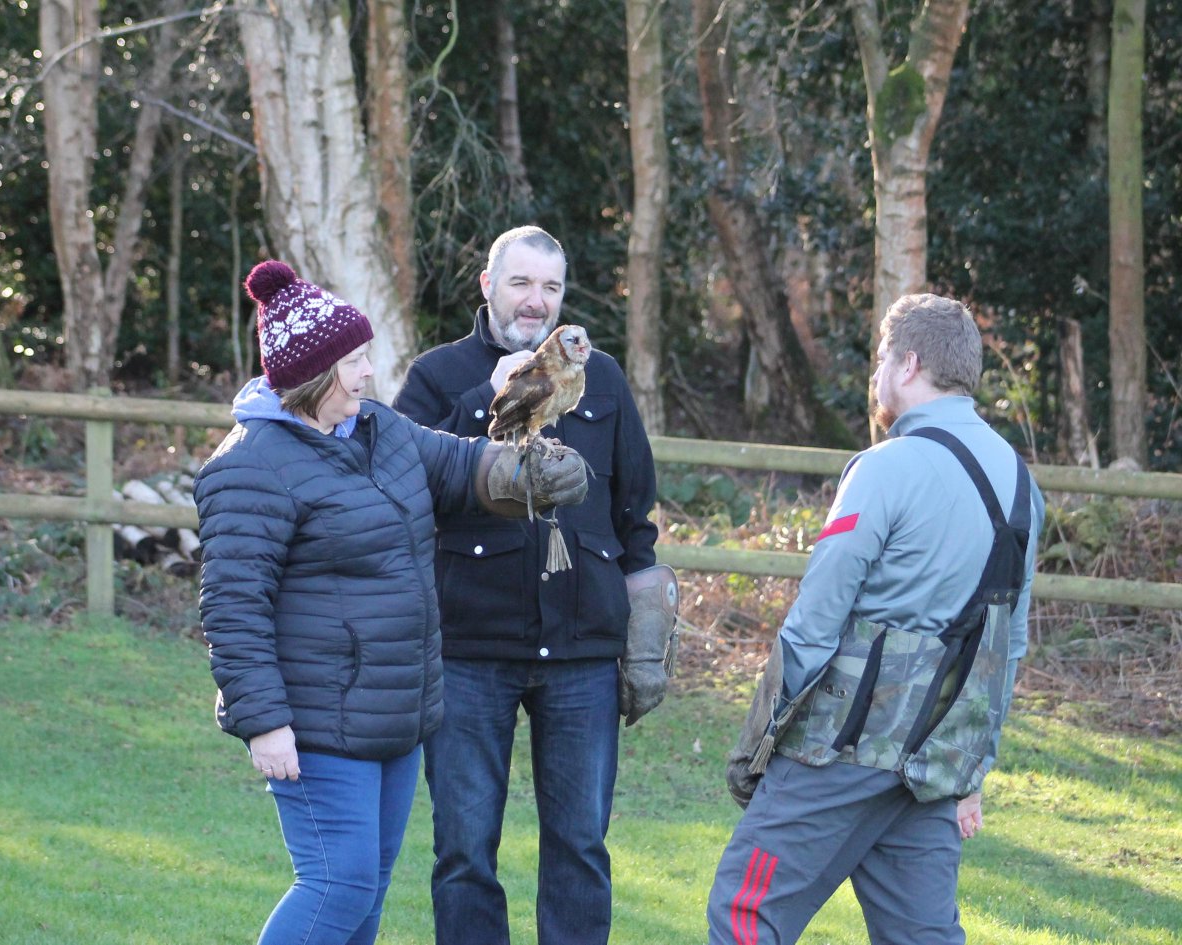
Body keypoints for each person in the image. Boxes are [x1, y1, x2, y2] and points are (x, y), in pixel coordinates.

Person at [194, 259, 588, 945]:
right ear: (314, 375)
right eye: (353, 361)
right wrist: (264, 722)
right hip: (317, 721)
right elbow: (233, 607)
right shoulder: (250, 465)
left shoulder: (378, 430)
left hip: (396, 714)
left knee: (366, 892)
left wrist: (523, 471)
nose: (368, 372)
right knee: (336, 886)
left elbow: (460, 464)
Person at [709, 293, 1045, 945]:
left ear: (909, 362)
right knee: (920, 934)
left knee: (748, 912)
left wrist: (760, 740)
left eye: (881, 359)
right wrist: (971, 769)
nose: (876, 376)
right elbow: (1011, 644)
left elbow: (815, 619)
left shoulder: (883, 469)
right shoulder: (1019, 480)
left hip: (840, 747)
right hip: (932, 766)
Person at [393, 225, 667, 945]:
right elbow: (398, 483)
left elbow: (636, 515)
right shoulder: (437, 374)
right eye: (520, 282)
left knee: (581, 847)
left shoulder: (600, 378)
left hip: (581, 653)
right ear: (487, 286)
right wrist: (484, 399)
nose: (535, 301)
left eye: (550, 286)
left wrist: (645, 638)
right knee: (463, 850)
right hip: (469, 648)